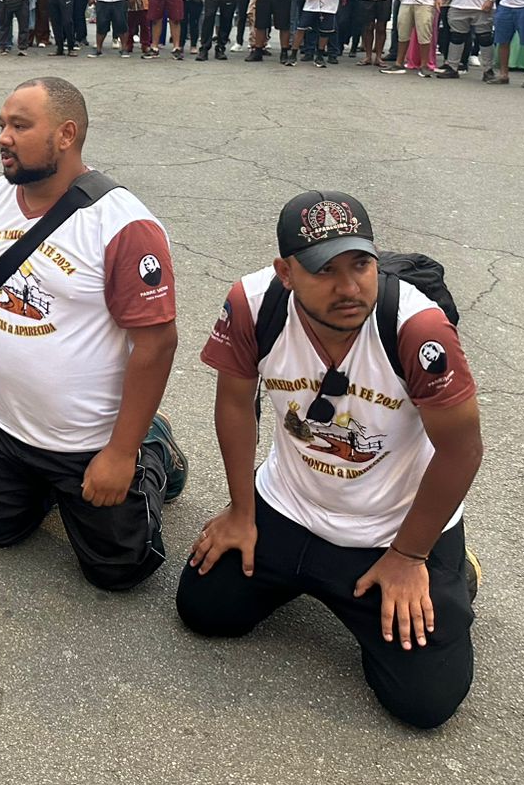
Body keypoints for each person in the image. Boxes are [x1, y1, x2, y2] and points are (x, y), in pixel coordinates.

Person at [178, 191, 483, 730]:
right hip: (291, 506)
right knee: (204, 609)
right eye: (325, 270)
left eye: (360, 264)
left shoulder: (417, 328)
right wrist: (241, 511)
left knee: (425, 702)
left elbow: (462, 450)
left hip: (391, 532)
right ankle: (303, 572)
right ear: (287, 272)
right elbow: (234, 403)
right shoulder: (255, 304)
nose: (349, 288)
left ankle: (453, 568)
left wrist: (412, 555)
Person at [0, 77, 185, 591]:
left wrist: (120, 453)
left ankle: (154, 449)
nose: (3, 136)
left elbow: (157, 343)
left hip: (88, 442)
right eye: (2, 124)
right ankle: (42, 485)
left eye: (20, 126)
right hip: (5, 427)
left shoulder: (122, 224)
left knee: (119, 572)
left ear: (66, 134)